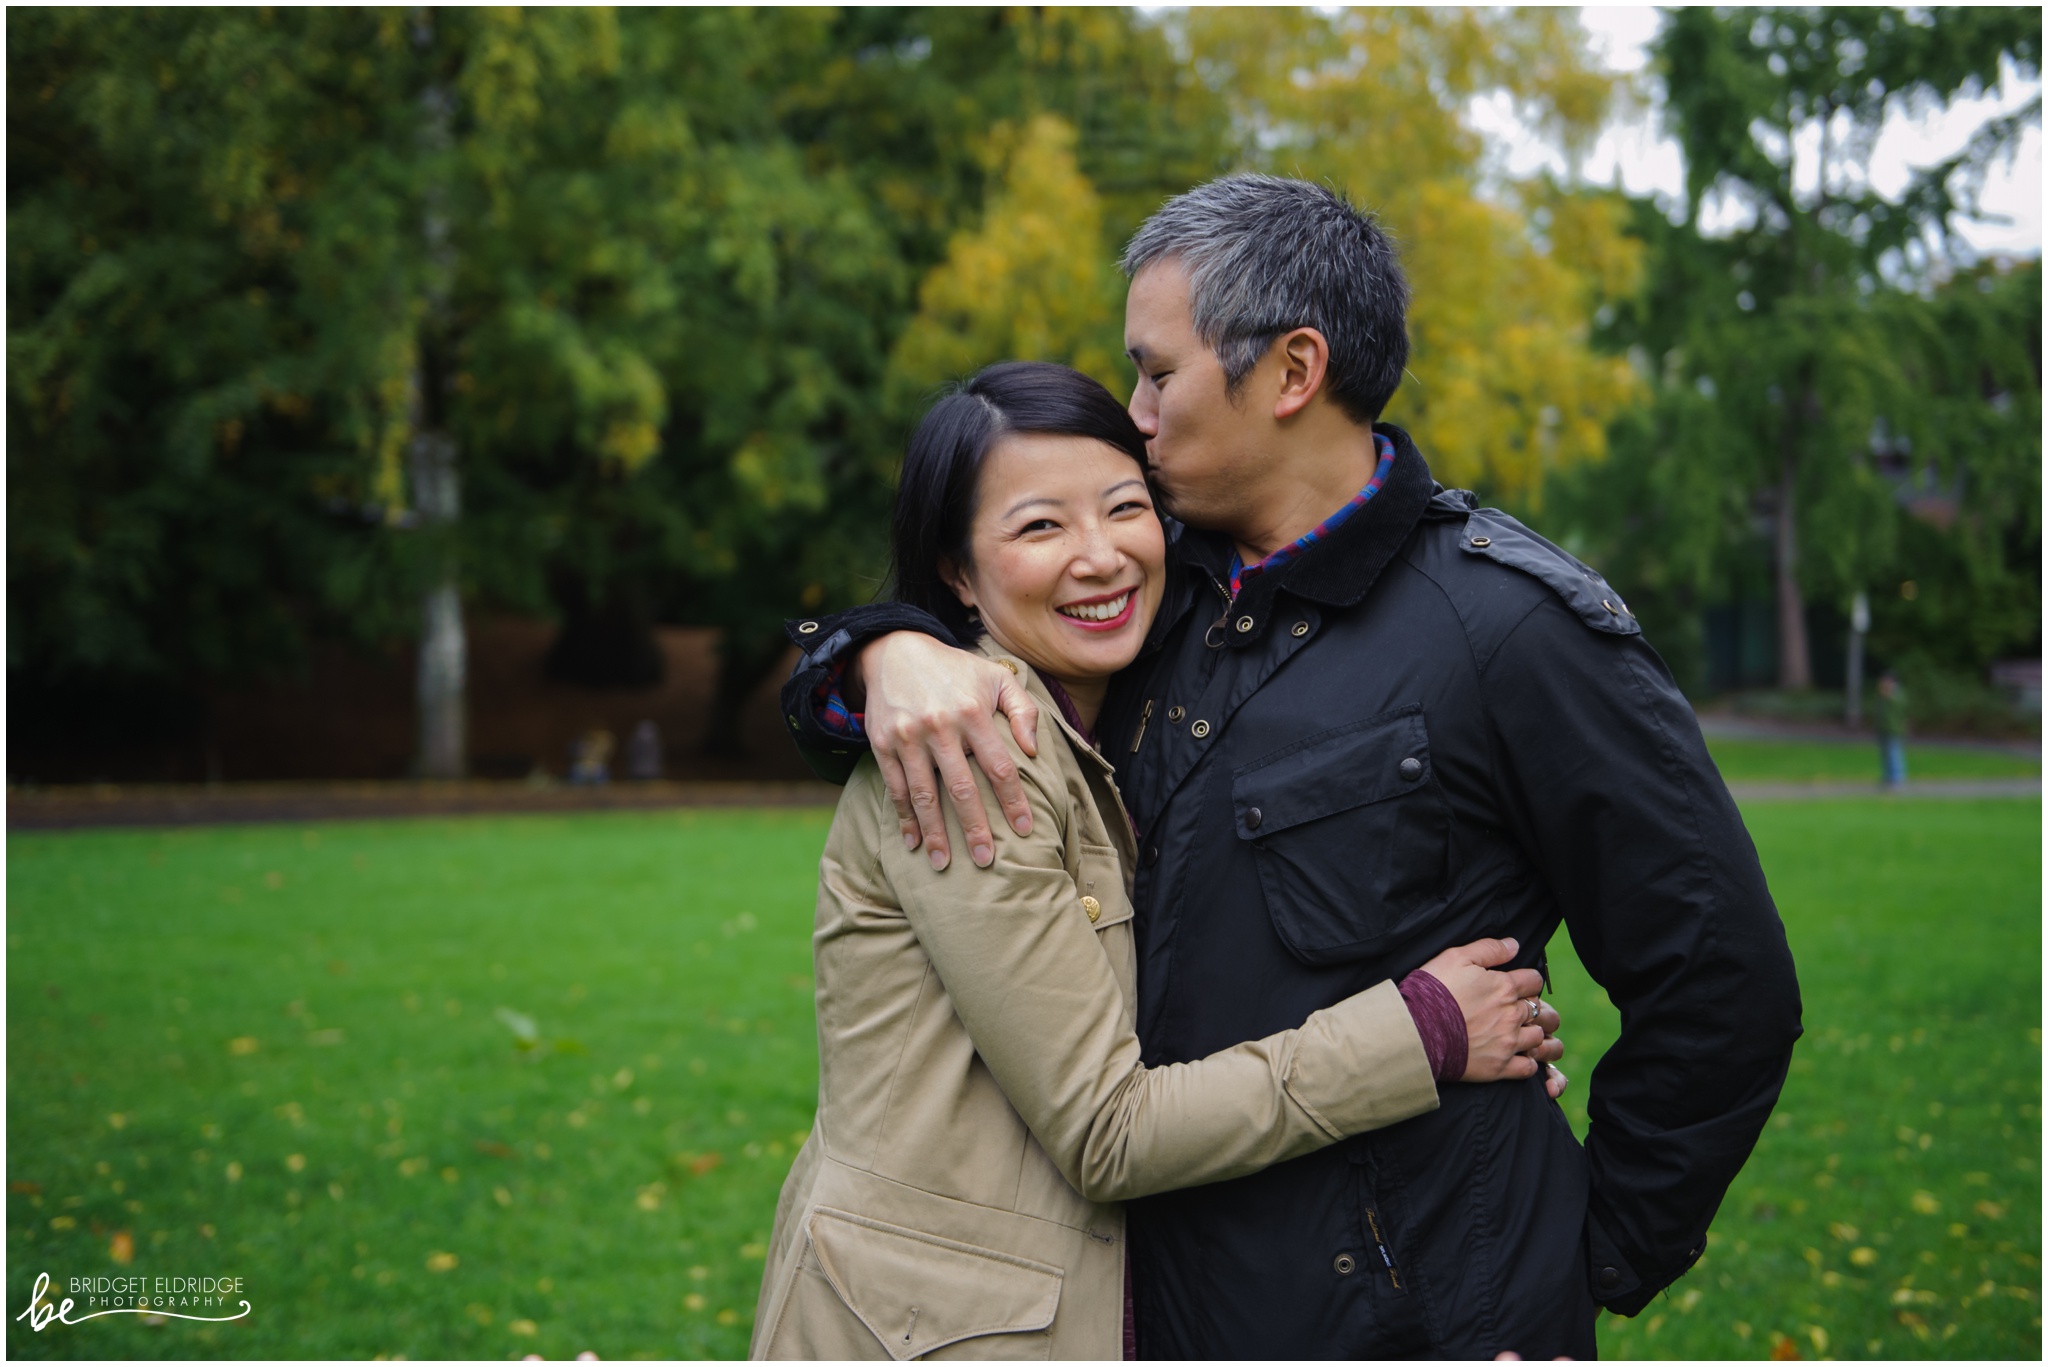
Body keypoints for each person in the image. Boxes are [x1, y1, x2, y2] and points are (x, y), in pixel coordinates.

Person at [779, 176, 1804, 1358]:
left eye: (1156, 372)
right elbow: (951, 645)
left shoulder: (1511, 630)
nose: (1135, 410)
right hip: (1147, 1305)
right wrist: (876, 654)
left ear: (1289, 371)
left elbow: (1721, 984)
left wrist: (1574, 1262)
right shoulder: (1144, 594)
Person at [750, 363, 1565, 1360]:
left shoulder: (1131, 714)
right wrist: (1424, 1031)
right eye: (1039, 527)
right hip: (942, 1327)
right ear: (958, 572)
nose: (1099, 557)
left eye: (1124, 508)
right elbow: (1108, 1128)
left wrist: (1437, 1122)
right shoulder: (971, 761)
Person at [1875, 670, 1908, 789]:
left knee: (1895, 753)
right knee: (1886, 755)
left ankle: (1898, 779)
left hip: (1894, 729)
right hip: (1884, 728)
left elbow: (1900, 708)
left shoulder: (1897, 694)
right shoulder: (1883, 695)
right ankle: (1888, 778)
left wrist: (1887, 695)